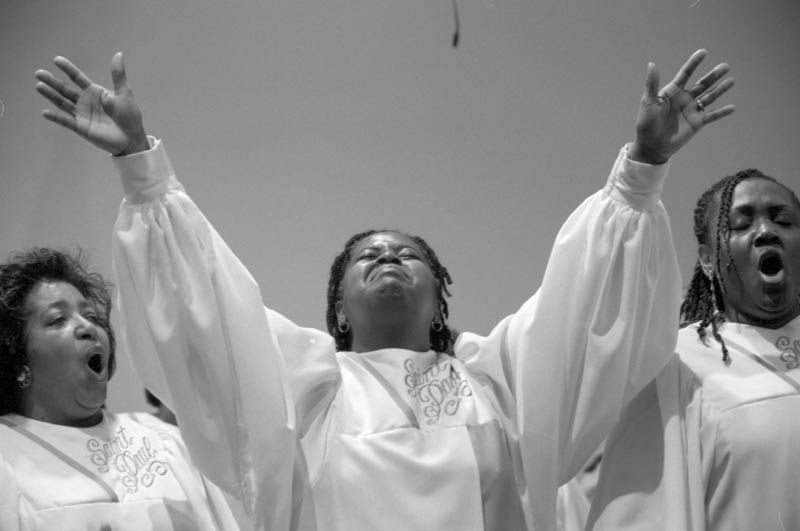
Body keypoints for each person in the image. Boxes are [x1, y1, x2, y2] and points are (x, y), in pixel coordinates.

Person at [34, 48, 734, 531]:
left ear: (439, 297)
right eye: (367, 255)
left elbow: (582, 308)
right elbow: (211, 311)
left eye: (409, 254)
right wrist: (140, 165)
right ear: (339, 307)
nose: (390, 257)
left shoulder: (500, 383)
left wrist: (643, 167)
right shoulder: (304, 391)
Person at [586, 170, 800, 530]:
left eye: (783, 221)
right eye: (741, 224)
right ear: (707, 260)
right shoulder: (677, 368)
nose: (766, 231)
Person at [0, 247, 241, 531]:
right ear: (17, 358)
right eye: (58, 320)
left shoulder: (165, 444)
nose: (87, 327)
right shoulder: (7, 456)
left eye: (93, 317)